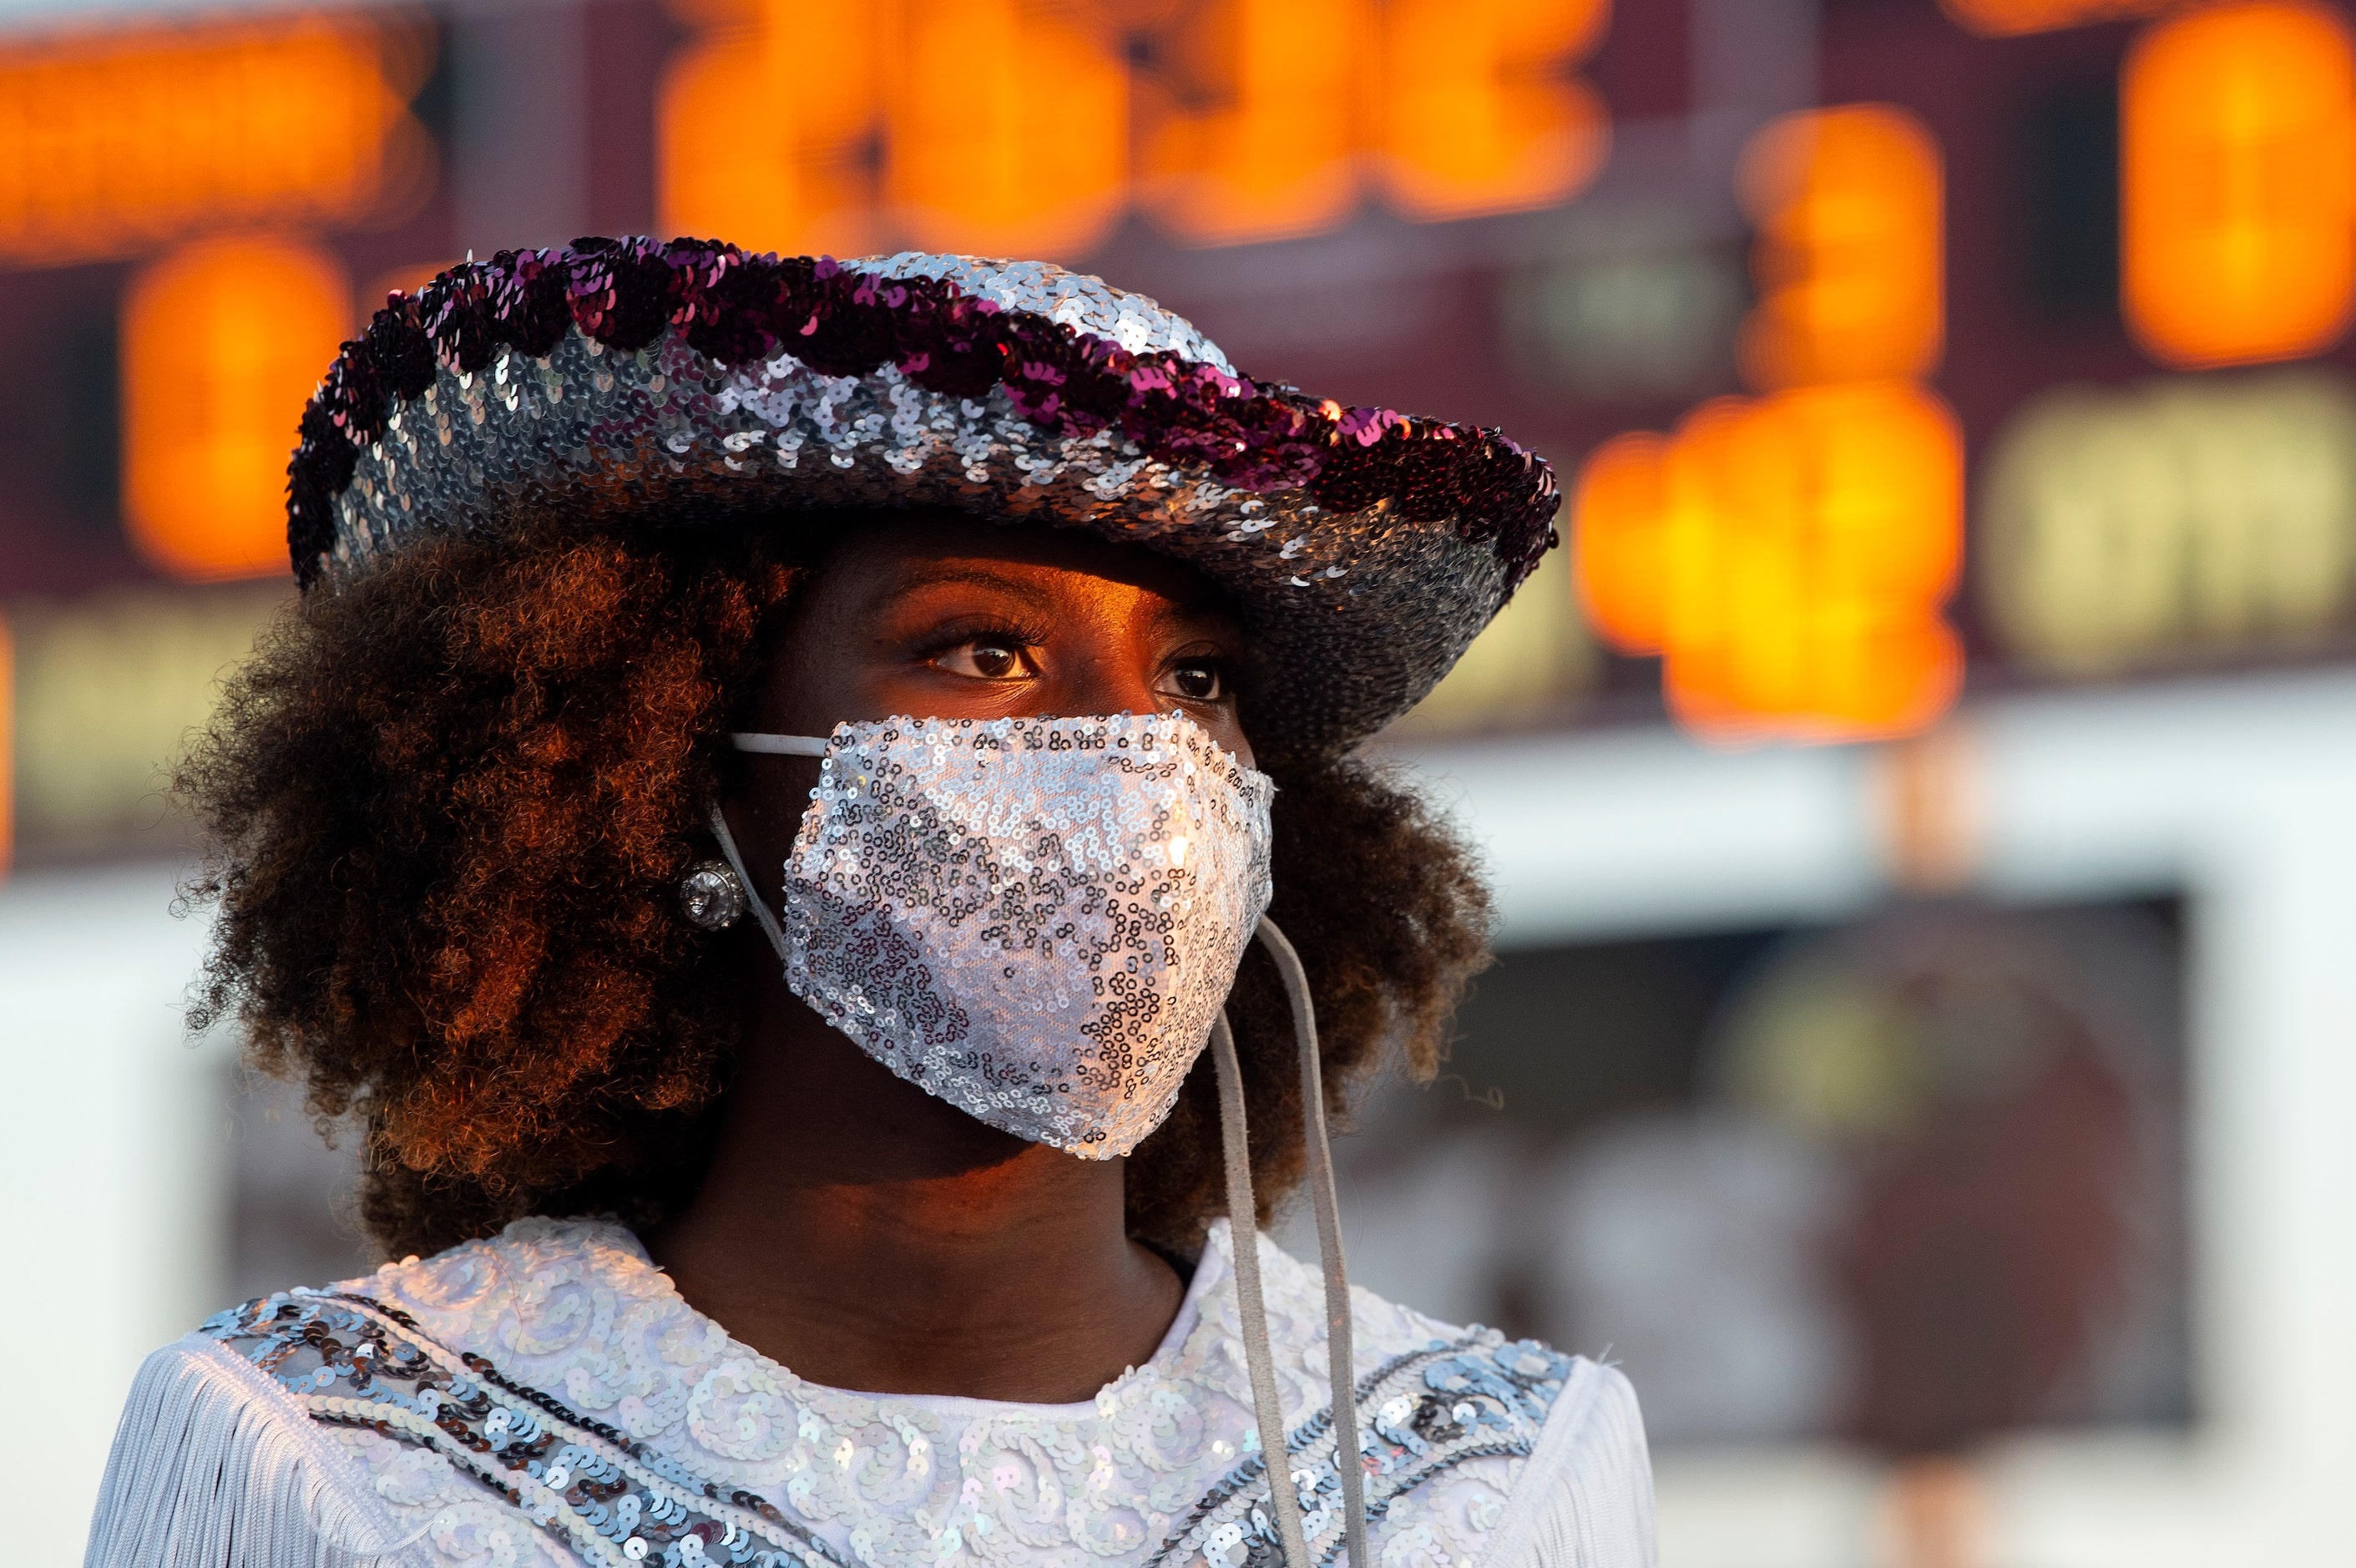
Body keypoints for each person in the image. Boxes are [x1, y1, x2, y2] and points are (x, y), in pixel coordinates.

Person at [85, 241, 1654, 1568]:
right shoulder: (323, 1454)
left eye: (1199, 678)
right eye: (981, 648)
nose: (1138, 755)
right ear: (669, 755)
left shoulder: (1492, 1480)